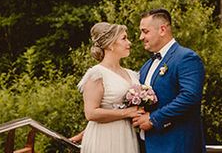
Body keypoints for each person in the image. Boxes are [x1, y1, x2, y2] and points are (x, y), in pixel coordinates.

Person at [132, 8, 206, 153]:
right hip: (145, 145)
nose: (141, 37)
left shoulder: (186, 58)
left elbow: (190, 97)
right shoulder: (147, 65)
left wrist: (154, 119)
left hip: (176, 145)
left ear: (162, 30)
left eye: (145, 31)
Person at [74, 22, 143, 153]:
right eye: (124, 38)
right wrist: (127, 112)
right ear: (110, 45)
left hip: (127, 134)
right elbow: (91, 113)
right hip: (105, 136)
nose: (129, 43)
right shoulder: (97, 74)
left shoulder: (131, 74)